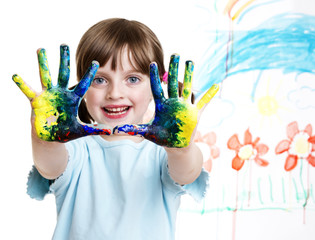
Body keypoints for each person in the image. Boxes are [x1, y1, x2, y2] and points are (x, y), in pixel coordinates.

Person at [12, 18, 219, 239]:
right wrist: (46, 138)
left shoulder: (162, 152)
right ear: (81, 87)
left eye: (132, 79)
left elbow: (187, 171)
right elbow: (49, 166)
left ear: (156, 86)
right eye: (100, 80)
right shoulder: (76, 148)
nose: (114, 93)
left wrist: (181, 149)